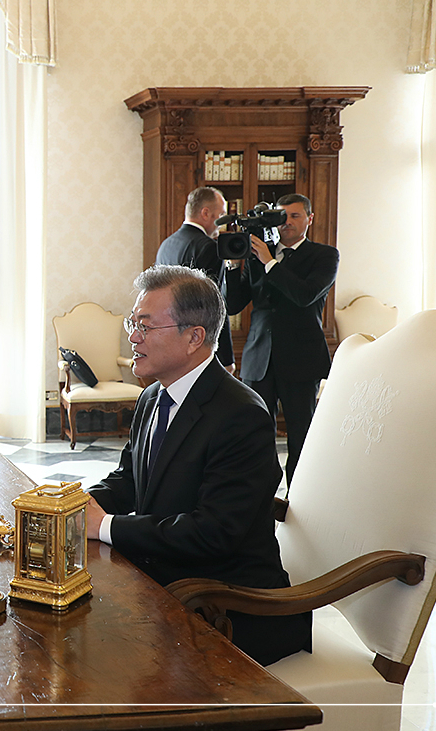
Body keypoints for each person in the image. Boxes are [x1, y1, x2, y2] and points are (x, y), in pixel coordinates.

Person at [84, 265, 310, 666]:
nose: (132, 337)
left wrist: (104, 527)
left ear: (194, 337)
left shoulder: (242, 415)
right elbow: (129, 481)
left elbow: (214, 532)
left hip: (230, 608)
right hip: (169, 580)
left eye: (145, 326)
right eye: (132, 323)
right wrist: (70, 506)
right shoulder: (154, 396)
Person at [225, 193, 339, 487]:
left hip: (301, 359)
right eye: (282, 216)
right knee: (256, 432)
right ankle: (258, 492)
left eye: (295, 216)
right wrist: (232, 265)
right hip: (258, 357)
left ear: (309, 219)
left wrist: (270, 262)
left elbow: (304, 295)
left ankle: (298, 496)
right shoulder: (259, 253)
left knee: (301, 432)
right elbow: (233, 305)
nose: (287, 223)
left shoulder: (324, 256)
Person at [155, 186, 235, 372]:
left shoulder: (167, 245)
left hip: (170, 343)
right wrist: (225, 358)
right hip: (198, 348)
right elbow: (214, 307)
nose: (221, 223)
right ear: (206, 213)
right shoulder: (209, 248)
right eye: (221, 214)